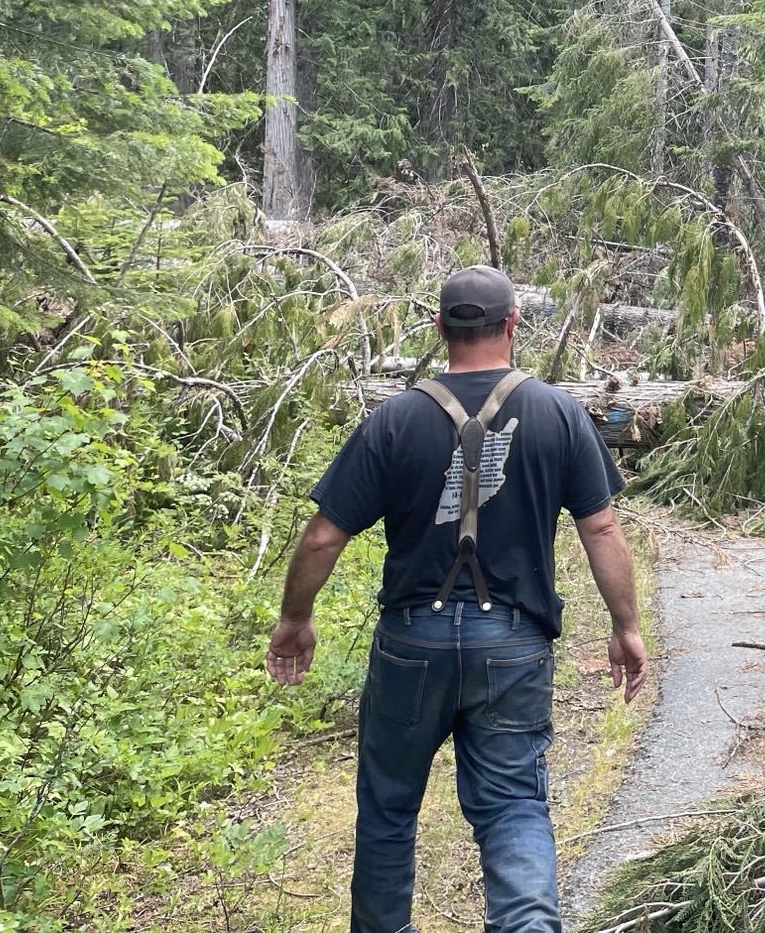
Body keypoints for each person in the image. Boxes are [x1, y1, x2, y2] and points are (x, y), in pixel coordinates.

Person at [266, 264, 649, 933]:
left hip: (412, 642)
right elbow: (602, 526)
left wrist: (295, 618)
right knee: (513, 811)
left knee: (387, 812)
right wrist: (626, 626)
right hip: (514, 645)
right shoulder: (559, 413)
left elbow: (325, 536)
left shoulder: (394, 420)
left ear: (441, 328)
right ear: (512, 325)